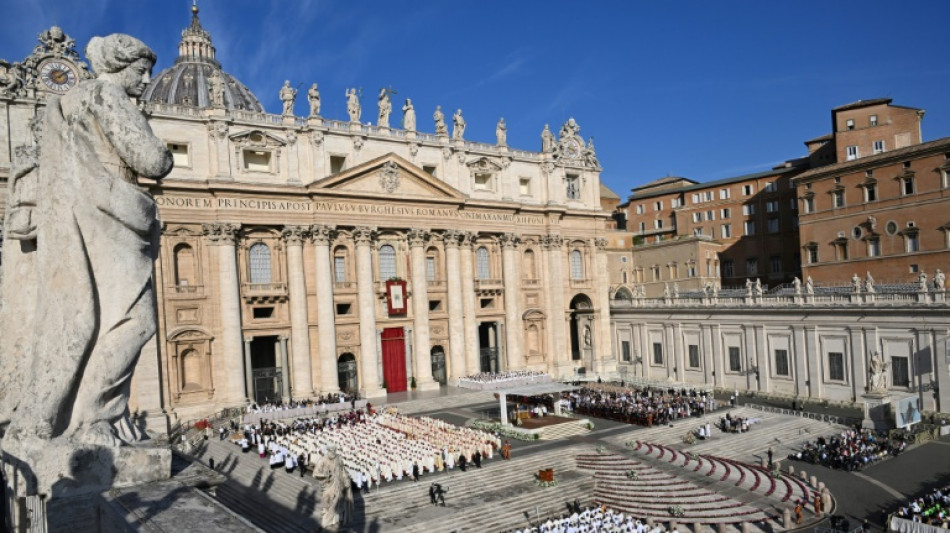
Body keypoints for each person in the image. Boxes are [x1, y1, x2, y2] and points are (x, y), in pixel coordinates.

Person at [0, 33, 173, 447]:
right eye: (140, 70)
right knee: (135, 321)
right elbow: (152, 160)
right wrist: (164, 152)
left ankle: (66, 416)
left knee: (83, 316)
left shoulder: (65, 104)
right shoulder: (106, 97)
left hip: (78, 218)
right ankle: (96, 418)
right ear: (118, 66)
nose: (147, 79)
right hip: (110, 217)